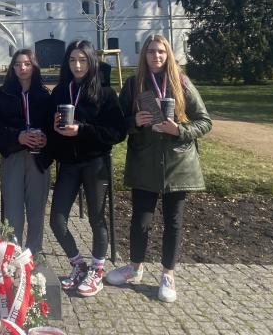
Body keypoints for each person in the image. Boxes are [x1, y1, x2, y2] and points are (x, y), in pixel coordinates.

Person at [106, 34, 211, 303]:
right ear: (145, 55)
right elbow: (116, 123)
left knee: (173, 222)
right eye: (152, 51)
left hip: (178, 164)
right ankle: (135, 267)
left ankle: (168, 274)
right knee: (140, 220)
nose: (157, 56)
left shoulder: (182, 82)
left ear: (168, 54)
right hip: (144, 162)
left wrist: (179, 130)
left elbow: (204, 121)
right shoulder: (133, 84)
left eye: (161, 51)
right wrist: (134, 121)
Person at [43, 40, 126, 297]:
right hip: (68, 163)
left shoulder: (105, 93)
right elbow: (51, 131)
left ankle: (97, 270)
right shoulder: (59, 92)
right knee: (57, 219)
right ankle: (78, 265)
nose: (77, 65)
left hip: (95, 162)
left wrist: (83, 129)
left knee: (96, 217)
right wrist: (55, 129)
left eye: (82, 60)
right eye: (72, 60)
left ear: (90, 61)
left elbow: (117, 131)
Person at [0, 49, 51, 254]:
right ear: (12, 68)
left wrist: (46, 137)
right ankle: (11, 255)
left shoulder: (45, 95)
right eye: (18, 64)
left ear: (34, 67)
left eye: (27, 64)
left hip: (38, 159)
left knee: (36, 210)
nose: (23, 68)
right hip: (12, 155)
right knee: (13, 211)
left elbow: (53, 125)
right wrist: (17, 137)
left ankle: (33, 254)